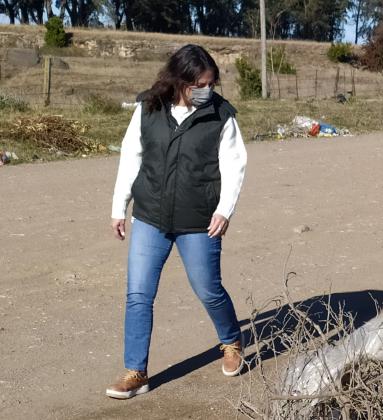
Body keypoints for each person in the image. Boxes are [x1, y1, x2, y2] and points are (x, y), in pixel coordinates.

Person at [106, 44, 247, 399]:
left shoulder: (221, 115)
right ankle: (135, 372)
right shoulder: (148, 108)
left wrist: (225, 210)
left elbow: (234, 165)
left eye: (211, 83)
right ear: (180, 80)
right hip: (150, 216)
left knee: (208, 290)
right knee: (138, 295)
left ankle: (231, 341)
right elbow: (130, 156)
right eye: (201, 83)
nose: (208, 90)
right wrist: (118, 205)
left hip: (199, 220)